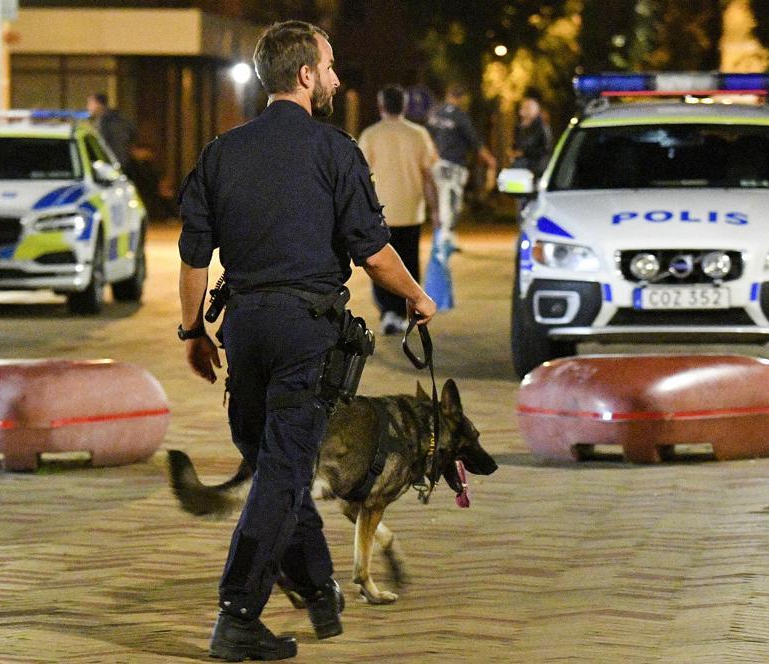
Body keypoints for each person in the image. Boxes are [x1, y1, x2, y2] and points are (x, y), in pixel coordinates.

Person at [177, 20, 436, 661]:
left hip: (242, 330)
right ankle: (237, 616)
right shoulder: (334, 150)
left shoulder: (219, 152)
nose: (337, 78)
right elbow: (375, 255)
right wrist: (417, 296)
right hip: (304, 333)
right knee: (283, 473)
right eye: (329, 66)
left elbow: (192, 259)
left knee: (271, 461)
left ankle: (319, 590)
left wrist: (193, 333)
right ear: (304, 75)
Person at [358, 85, 439, 335]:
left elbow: (360, 176)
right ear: (404, 106)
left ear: (381, 106)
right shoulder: (418, 134)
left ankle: (388, 313)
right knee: (408, 263)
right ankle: (407, 311)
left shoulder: (370, 135)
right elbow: (428, 175)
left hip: (379, 212)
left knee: (381, 264)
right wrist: (435, 209)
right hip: (411, 211)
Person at [425, 84, 497, 246]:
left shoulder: (434, 113)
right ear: (461, 98)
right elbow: (475, 141)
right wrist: (489, 159)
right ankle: (445, 235)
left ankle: (445, 233)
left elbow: (426, 137)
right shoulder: (460, 116)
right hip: (454, 164)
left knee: (443, 198)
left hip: (437, 163)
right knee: (451, 201)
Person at [86, 92, 136, 171]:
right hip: (118, 163)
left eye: (90, 104)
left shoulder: (109, 121)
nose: (88, 107)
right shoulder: (116, 118)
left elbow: (107, 143)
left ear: (99, 104)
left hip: (113, 165)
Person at [510, 89, 553, 179]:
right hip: (522, 170)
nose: (521, 112)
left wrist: (523, 153)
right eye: (522, 108)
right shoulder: (519, 128)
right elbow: (516, 146)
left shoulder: (542, 128)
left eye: (526, 108)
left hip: (537, 169)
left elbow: (545, 150)